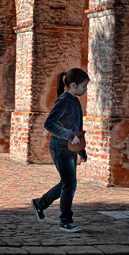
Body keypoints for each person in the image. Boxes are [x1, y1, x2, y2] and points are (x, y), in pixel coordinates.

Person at [31, 67, 90, 232]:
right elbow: (49, 124)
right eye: (84, 86)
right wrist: (69, 135)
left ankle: (40, 203)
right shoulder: (64, 100)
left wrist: (80, 148)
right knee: (69, 185)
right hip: (60, 148)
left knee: (68, 184)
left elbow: (77, 127)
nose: (85, 90)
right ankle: (65, 222)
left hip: (70, 148)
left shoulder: (75, 101)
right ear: (73, 84)